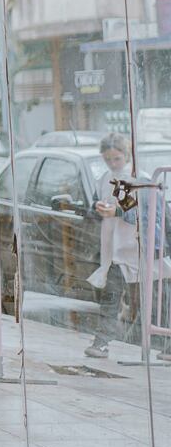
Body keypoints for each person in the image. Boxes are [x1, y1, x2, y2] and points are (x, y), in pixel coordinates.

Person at [84, 133, 165, 358]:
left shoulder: (142, 178)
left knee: (158, 296)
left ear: (126, 155)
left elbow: (151, 215)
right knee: (111, 295)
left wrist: (117, 212)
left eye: (116, 158)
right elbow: (94, 205)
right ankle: (101, 341)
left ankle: (166, 342)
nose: (112, 163)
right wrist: (97, 207)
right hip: (114, 249)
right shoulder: (104, 179)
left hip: (141, 247)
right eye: (107, 159)